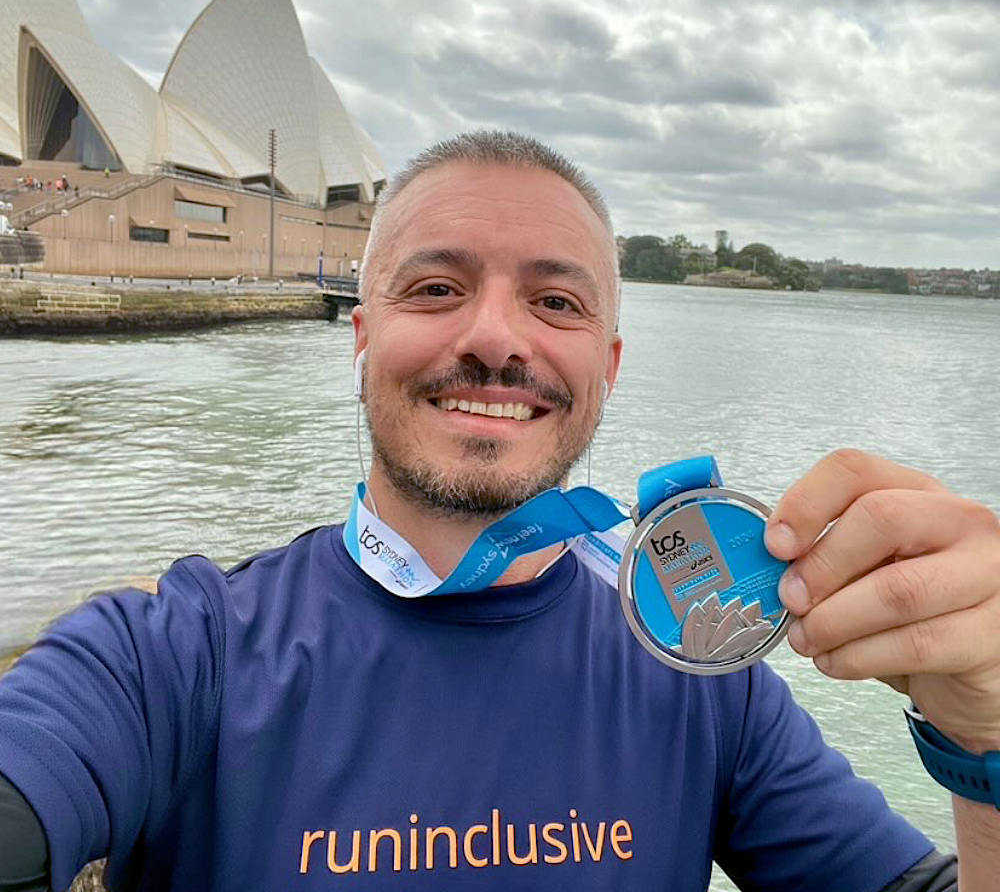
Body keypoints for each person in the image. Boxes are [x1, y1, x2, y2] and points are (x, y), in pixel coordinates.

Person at [0, 131, 998, 892]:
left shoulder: (702, 668)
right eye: (436, 287)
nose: (491, 336)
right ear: (361, 337)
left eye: (556, 303)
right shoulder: (172, 654)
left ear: (605, 367)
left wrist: (984, 732)